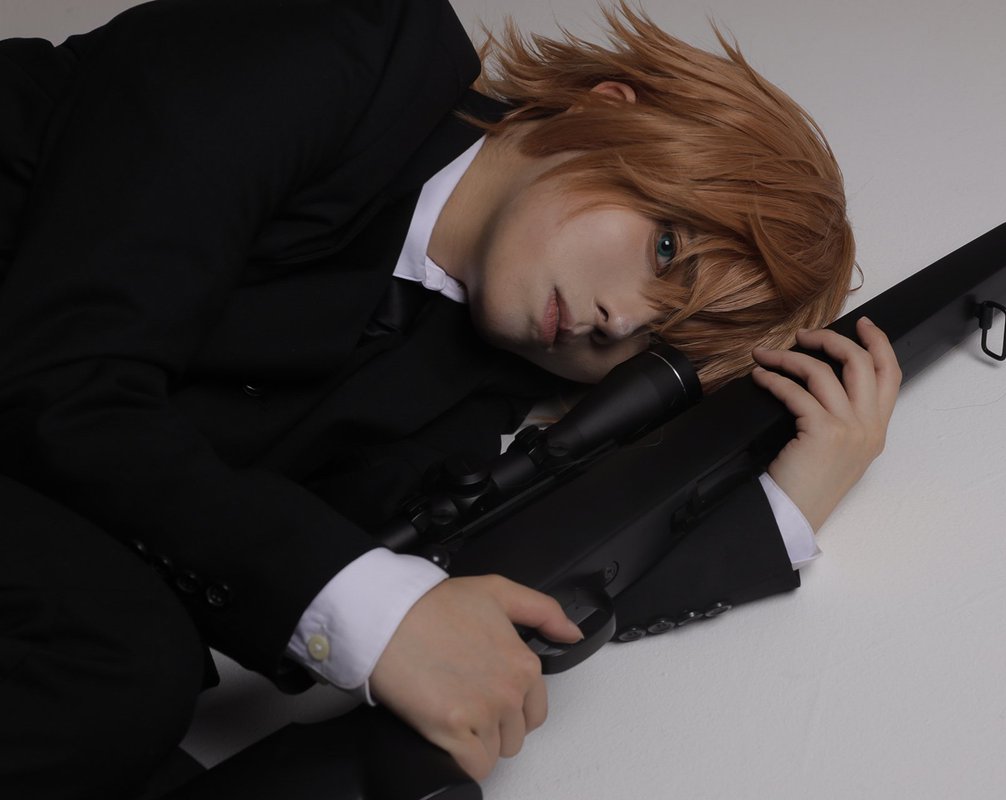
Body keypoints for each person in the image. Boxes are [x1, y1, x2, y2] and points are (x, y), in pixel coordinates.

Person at [0, 0, 900, 797]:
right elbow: (66, 373)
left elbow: (475, 600)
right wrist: (369, 613)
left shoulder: (463, 391)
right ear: (606, 112)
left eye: (655, 343)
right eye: (666, 249)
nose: (620, 320)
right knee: (121, 664)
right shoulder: (346, 42)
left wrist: (784, 505)